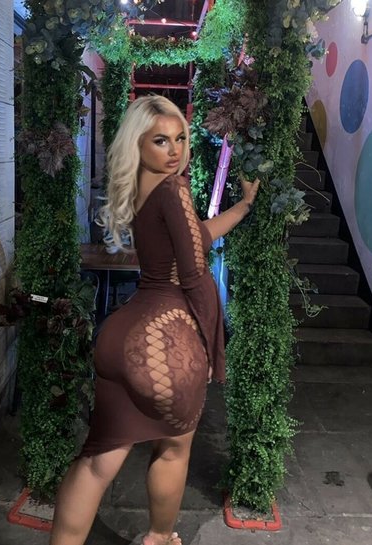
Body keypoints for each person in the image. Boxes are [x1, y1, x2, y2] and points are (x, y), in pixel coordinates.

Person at [49, 95, 260, 545]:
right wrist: (212, 347)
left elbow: (197, 237)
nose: (175, 150)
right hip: (165, 340)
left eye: (180, 138)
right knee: (173, 448)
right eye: (161, 140)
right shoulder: (174, 189)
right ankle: (159, 538)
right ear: (138, 144)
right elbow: (195, 275)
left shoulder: (145, 190)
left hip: (120, 335)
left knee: (97, 461)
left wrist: (242, 207)